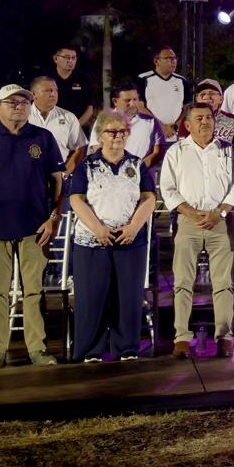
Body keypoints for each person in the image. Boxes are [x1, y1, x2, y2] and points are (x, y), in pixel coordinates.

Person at [0, 84, 65, 368]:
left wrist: (53, 218)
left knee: (34, 291)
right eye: (11, 102)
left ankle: (37, 348)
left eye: (24, 102)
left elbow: (58, 181)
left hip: (35, 230)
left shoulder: (43, 137)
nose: (19, 106)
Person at [68, 110, 157, 362]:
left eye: (123, 131)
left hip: (130, 241)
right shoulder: (87, 165)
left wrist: (133, 227)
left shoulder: (137, 165)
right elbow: (76, 199)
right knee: (91, 297)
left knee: (128, 297)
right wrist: (98, 229)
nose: (118, 136)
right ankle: (90, 350)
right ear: (101, 136)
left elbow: (149, 198)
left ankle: (126, 348)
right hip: (92, 241)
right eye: (112, 131)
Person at [161, 102, 234, 358]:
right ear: (187, 125)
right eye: (199, 118)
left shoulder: (229, 151)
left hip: (221, 221)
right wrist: (190, 212)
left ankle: (224, 336)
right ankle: (181, 338)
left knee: (223, 283)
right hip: (189, 221)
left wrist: (219, 212)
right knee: (183, 282)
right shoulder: (176, 152)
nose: (205, 122)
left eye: (209, 117)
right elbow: (168, 189)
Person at [89, 83, 162, 169]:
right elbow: (97, 148)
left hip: (143, 175)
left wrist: (137, 169)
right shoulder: (103, 121)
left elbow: (157, 152)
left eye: (135, 99)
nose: (132, 104)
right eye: (127, 100)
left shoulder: (151, 122)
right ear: (115, 101)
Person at [28, 75, 87, 176]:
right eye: (48, 90)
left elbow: (80, 147)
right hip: (27, 178)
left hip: (59, 179)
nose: (53, 94)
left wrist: (64, 173)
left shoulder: (69, 117)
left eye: (56, 90)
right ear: (33, 94)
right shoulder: (22, 117)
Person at [137, 45, 189, 143]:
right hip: (150, 136)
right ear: (156, 61)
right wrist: (161, 126)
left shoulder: (182, 81)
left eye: (174, 58)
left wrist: (175, 126)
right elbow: (140, 107)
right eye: (168, 58)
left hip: (176, 136)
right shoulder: (143, 79)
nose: (173, 61)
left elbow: (187, 107)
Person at [177, 79, 234, 153]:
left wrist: (232, 159)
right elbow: (182, 146)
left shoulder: (231, 119)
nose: (206, 97)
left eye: (211, 93)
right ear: (197, 99)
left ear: (221, 99)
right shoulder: (188, 118)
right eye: (202, 94)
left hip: (224, 159)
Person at [50, 45, 95, 126]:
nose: (70, 61)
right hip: (52, 125)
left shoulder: (84, 79)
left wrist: (76, 126)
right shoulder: (47, 79)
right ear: (55, 58)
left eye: (73, 58)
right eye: (66, 57)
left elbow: (90, 107)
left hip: (78, 125)